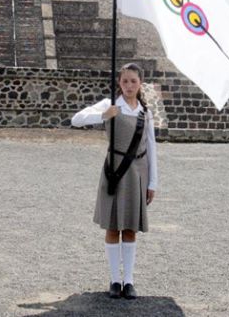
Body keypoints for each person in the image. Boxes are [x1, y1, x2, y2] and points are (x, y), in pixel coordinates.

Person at [71, 63, 158, 300]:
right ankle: (114, 280)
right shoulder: (109, 104)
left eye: (133, 81)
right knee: (112, 226)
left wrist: (153, 183)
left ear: (140, 83)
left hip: (138, 172)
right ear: (119, 82)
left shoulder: (146, 112)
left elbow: (151, 147)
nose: (129, 85)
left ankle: (128, 281)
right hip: (115, 172)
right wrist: (102, 115)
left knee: (130, 227)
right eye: (124, 81)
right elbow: (76, 119)